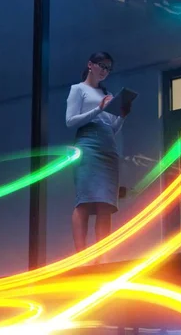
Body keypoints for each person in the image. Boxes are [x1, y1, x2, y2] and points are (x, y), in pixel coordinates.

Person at [65, 51, 130, 259]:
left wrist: (122, 116)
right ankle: (81, 257)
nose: (105, 71)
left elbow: (111, 127)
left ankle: (100, 260)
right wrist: (98, 109)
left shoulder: (106, 94)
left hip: (108, 148)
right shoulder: (78, 90)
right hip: (89, 145)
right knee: (84, 202)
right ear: (90, 65)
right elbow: (71, 121)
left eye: (108, 68)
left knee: (106, 205)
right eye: (102, 66)